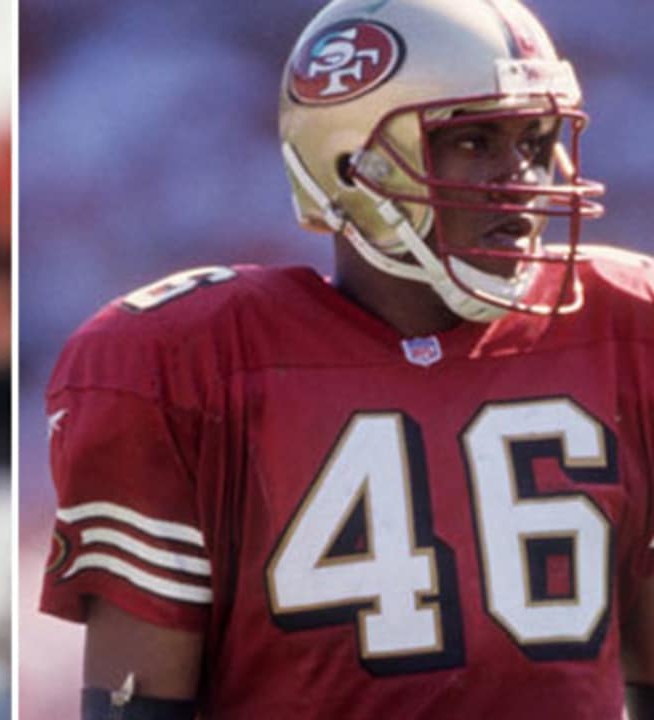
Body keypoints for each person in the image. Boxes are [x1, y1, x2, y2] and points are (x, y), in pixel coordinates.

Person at [38, 0, 654, 717]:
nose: (519, 176)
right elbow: (135, 707)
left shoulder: (627, 330)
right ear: (349, 162)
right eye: (475, 141)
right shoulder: (187, 364)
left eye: (533, 137)